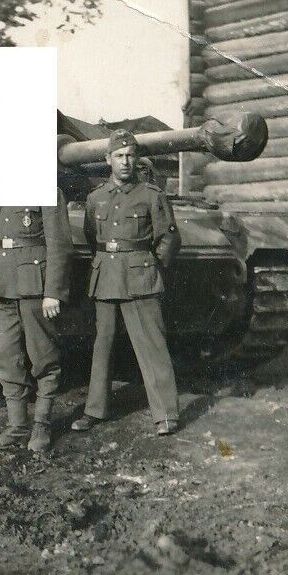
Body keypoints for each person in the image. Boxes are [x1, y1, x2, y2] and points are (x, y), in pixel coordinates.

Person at [74, 129, 182, 436]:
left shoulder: (151, 195)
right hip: (106, 275)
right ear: (108, 159)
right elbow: (91, 236)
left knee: (151, 344)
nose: (125, 162)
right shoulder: (95, 198)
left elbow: (169, 237)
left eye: (130, 156)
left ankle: (165, 414)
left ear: (137, 160)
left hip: (140, 276)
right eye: (119, 156)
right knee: (102, 345)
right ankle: (95, 410)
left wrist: (150, 266)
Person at [0, 188, 73, 454]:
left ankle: (42, 425)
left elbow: (60, 245)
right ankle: (17, 426)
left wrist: (53, 292)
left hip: (35, 284)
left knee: (43, 357)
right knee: (7, 358)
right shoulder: (6, 190)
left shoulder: (49, 192)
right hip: (4, 283)